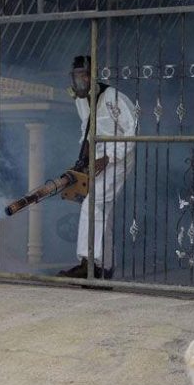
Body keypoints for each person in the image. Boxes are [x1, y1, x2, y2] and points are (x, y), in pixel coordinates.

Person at [58, 55, 136, 279]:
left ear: (93, 75)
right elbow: (87, 130)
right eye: (76, 76)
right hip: (97, 159)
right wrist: (83, 161)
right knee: (103, 212)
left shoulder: (113, 98)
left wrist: (109, 157)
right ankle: (106, 266)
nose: (79, 80)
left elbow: (132, 132)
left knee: (93, 205)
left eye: (83, 75)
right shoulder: (81, 100)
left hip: (119, 158)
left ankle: (88, 262)